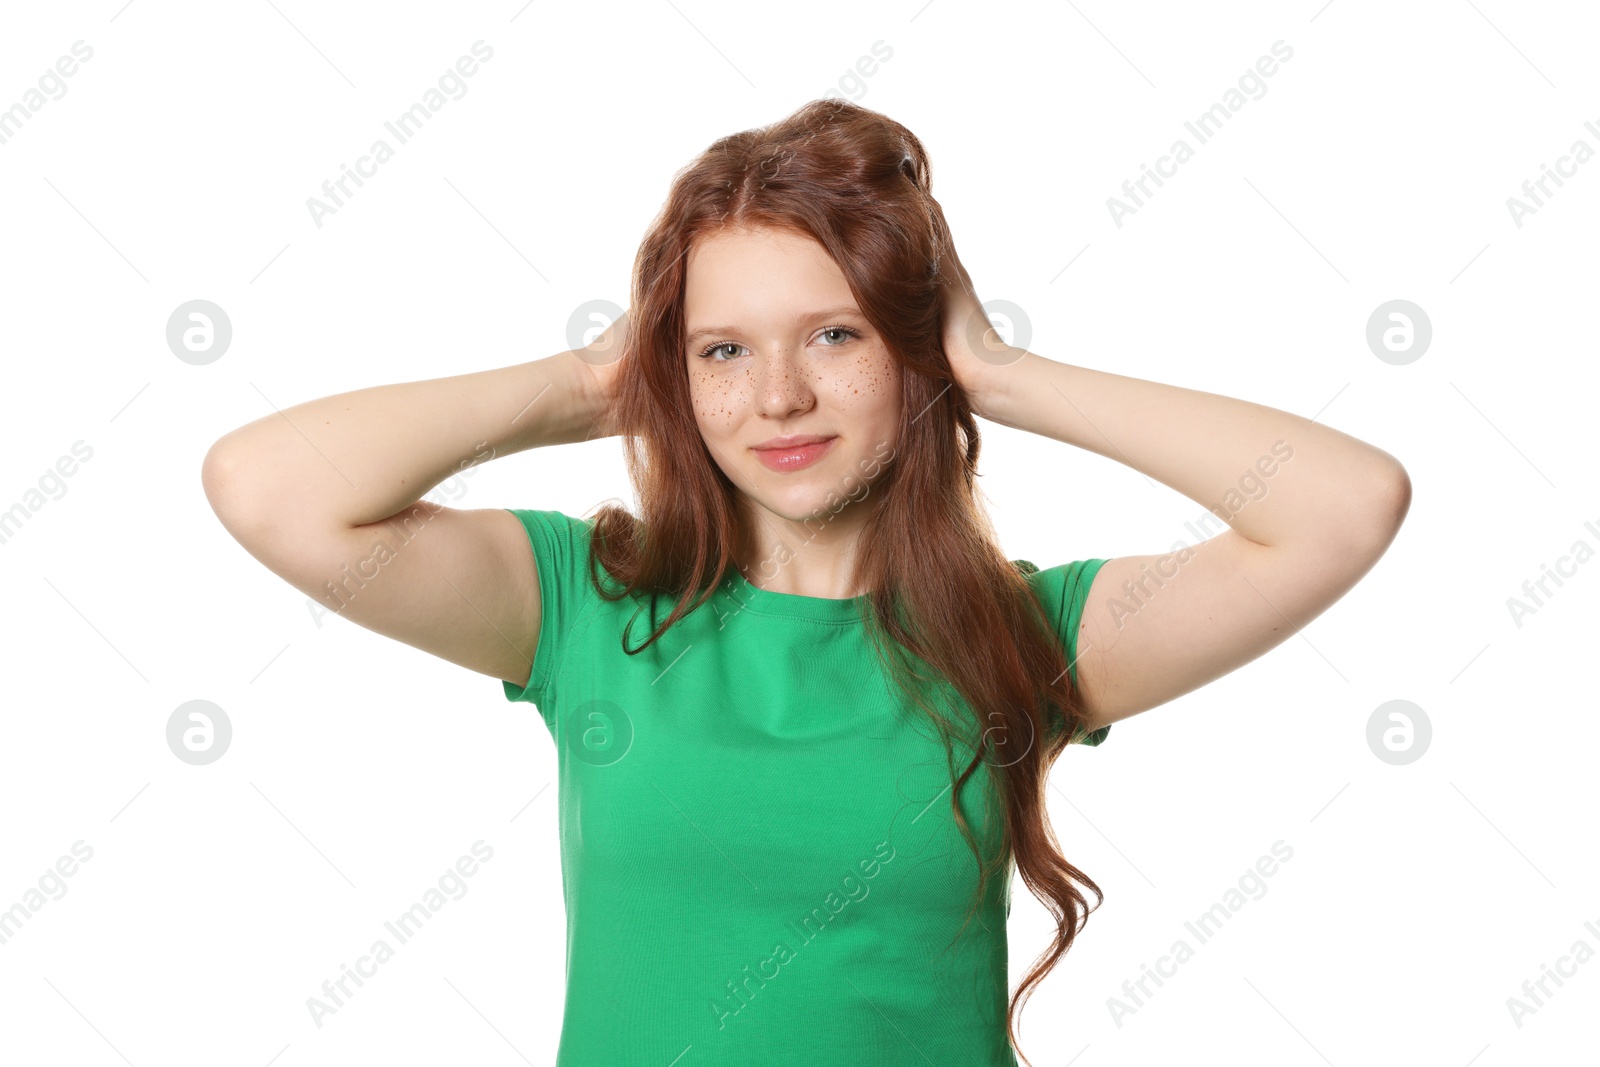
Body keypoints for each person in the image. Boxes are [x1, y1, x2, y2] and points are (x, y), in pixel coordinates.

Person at [201, 98, 1410, 1067]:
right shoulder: (586, 606)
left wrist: (997, 370)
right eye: (722, 349)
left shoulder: (1024, 638)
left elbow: (1341, 507)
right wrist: (591, 377)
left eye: (834, 334)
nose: (775, 397)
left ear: (910, 343)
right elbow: (269, 489)